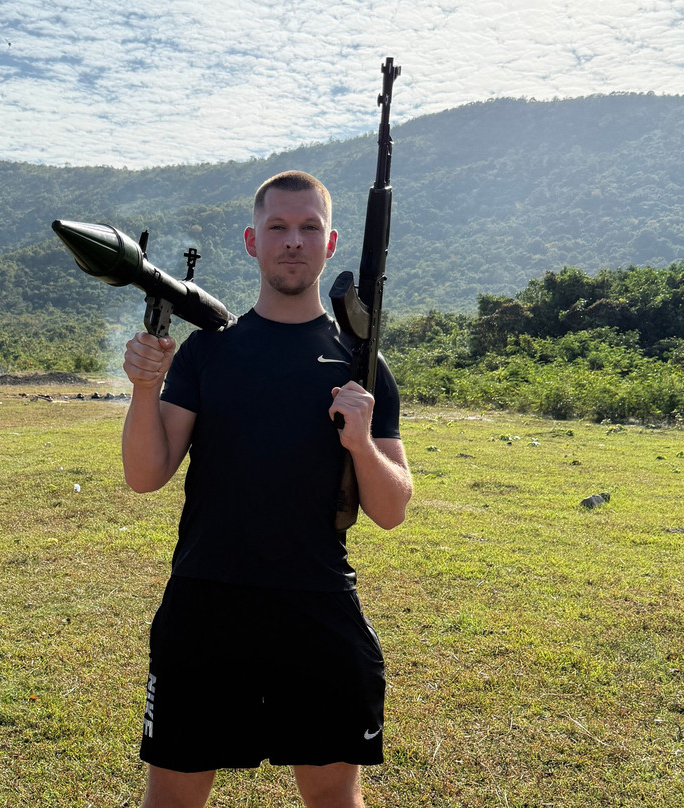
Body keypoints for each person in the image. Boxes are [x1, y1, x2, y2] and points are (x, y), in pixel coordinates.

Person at [121, 170, 413, 808]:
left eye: (309, 227)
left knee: (333, 795)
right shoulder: (208, 352)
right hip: (206, 600)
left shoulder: (362, 364)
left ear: (330, 243)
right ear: (252, 241)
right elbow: (146, 475)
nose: (293, 241)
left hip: (317, 602)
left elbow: (391, 509)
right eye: (277, 227)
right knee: (172, 797)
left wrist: (361, 443)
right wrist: (145, 388)